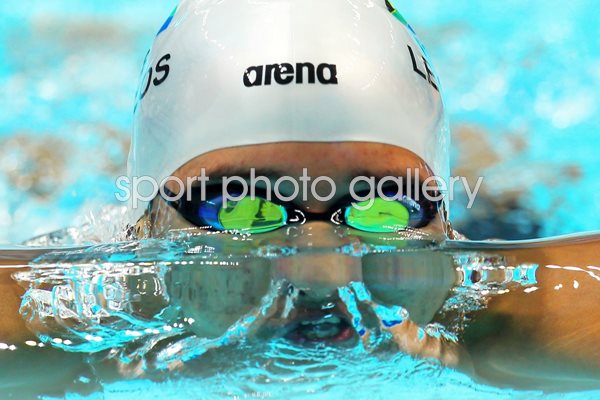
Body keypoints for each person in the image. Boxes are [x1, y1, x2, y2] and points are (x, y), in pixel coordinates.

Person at [1, 0, 600, 393]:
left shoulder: (486, 315)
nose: (322, 273)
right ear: (144, 226)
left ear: (443, 224)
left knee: (508, 195)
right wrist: (121, 353)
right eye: (239, 207)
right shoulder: (86, 318)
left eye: (382, 208)